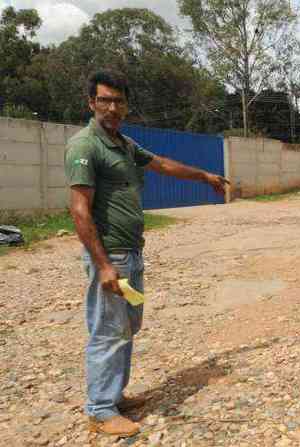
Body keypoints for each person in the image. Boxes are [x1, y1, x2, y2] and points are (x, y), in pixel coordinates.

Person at [65, 70, 227, 437]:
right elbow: (79, 209)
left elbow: (163, 164)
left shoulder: (123, 144)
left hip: (131, 253)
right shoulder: (84, 146)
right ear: (91, 103)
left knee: (127, 327)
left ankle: (113, 395)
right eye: (104, 99)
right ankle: (100, 409)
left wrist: (205, 176)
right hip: (111, 256)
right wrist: (102, 264)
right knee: (108, 330)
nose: (112, 107)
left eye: (119, 100)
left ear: (126, 105)